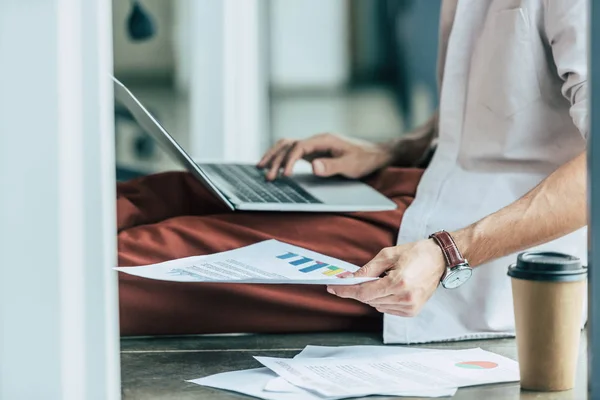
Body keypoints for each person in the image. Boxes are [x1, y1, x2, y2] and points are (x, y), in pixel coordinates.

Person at [117, 0, 587, 343]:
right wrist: (391, 149)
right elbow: (508, 100)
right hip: (425, 182)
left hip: (466, 235)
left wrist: (447, 252)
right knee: (156, 195)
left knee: (130, 268)